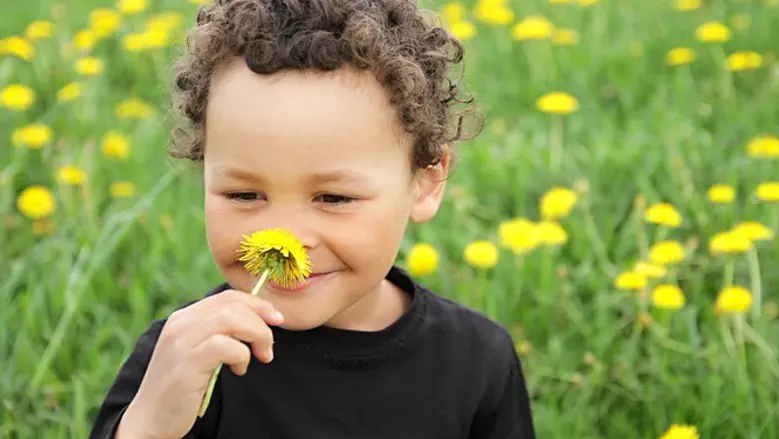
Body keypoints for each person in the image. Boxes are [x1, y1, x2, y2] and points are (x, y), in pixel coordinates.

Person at [89, 0, 536, 437]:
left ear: (425, 182)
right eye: (244, 194)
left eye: (333, 197)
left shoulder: (478, 359)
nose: (283, 237)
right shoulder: (188, 356)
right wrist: (149, 424)